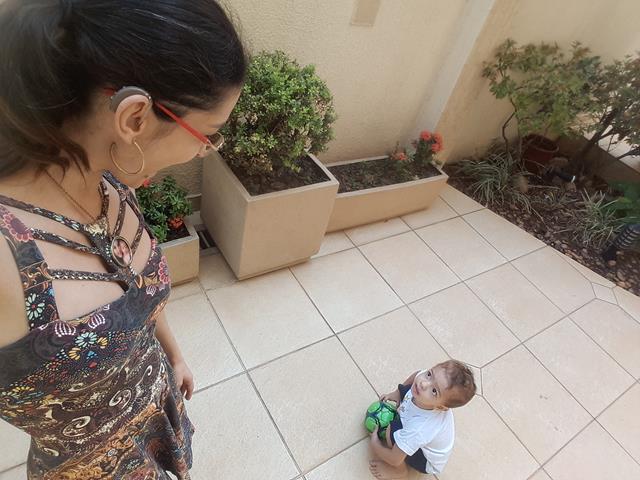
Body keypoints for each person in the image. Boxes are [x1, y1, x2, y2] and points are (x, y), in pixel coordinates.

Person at [0, 0, 246, 478]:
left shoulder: (108, 183)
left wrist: (172, 356)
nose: (204, 150)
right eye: (208, 133)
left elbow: (135, 294)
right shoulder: (8, 259)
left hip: (154, 405)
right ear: (134, 117)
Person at [369, 361, 476, 479]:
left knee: (392, 431)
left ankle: (399, 471)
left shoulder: (419, 428)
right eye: (429, 374)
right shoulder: (423, 385)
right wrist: (397, 393)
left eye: (434, 391)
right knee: (413, 387)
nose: (424, 383)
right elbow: (417, 374)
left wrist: (376, 445)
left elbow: (394, 459)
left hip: (426, 459)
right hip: (420, 428)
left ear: (441, 407)